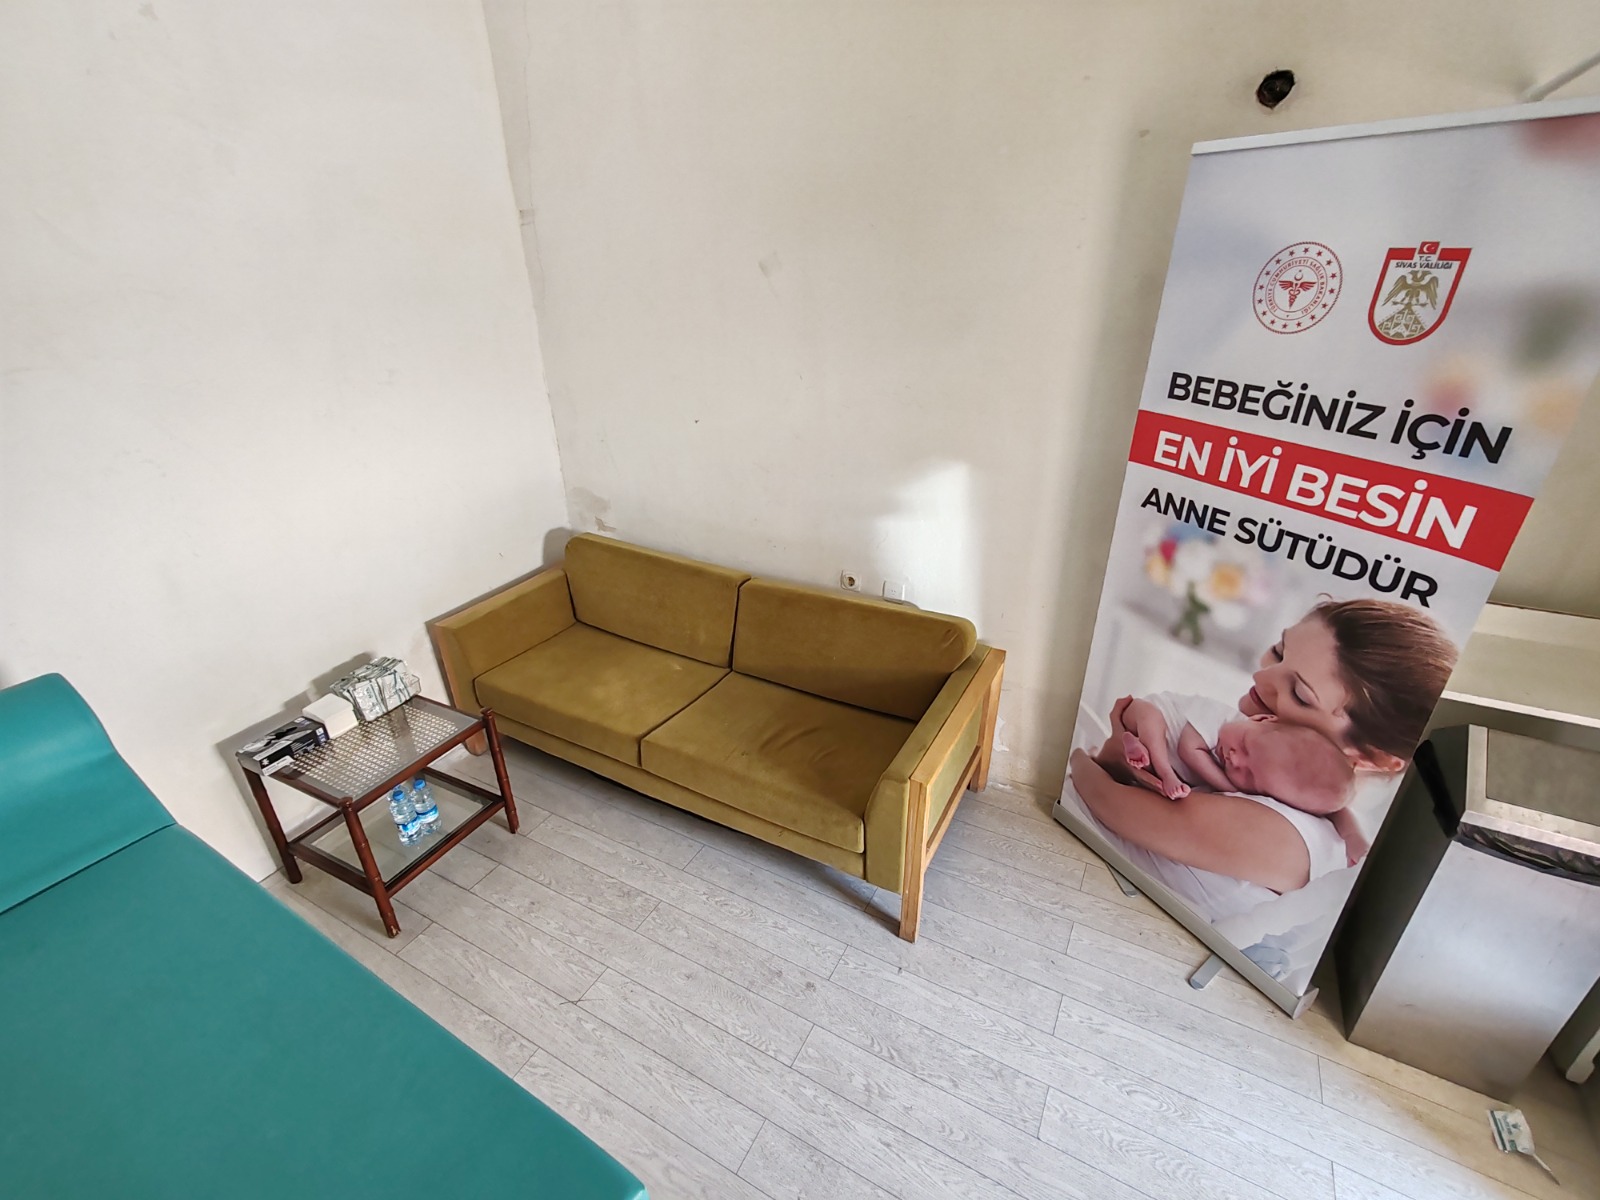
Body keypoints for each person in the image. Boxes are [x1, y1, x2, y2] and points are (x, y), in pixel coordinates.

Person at [1068, 598, 1458, 913]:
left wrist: (1082, 756)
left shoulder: (1289, 837)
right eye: (1279, 651)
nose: (1261, 677)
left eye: (1300, 695)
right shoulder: (1246, 745)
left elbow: (1106, 798)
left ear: (1373, 757)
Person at [1116, 690, 1361, 860]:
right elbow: (1189, 751)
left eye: (1250, 776)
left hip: (1149, 763)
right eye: (1245, 745)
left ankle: (1138, 752)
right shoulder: (1222, 718)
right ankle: (1156, 764)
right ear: (1262, 719)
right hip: (1148, 715)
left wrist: (1352, 836)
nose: (1235, 759)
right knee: (1152, 720)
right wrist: (1231, 788)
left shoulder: (1278, 780)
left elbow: (1334, 809)